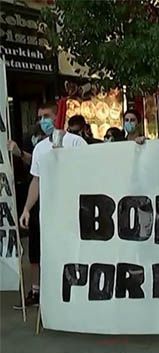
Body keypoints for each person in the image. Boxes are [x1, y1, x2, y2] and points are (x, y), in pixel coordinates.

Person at [17, 102, 88, 309]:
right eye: (40, 117)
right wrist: (27, 208)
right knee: (43, 250)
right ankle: (43, 290)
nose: (43, 121)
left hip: (72, 207)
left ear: (58, 117)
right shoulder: (40, 148)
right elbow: (36, 180)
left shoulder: (76, 143)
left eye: (47, 116)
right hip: (48, 208)